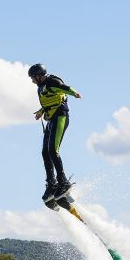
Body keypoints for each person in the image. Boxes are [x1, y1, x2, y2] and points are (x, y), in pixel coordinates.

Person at [29, 63, 81, 204]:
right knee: (45, 152)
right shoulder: (42, 87)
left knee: (53, 150)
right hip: (51, 120)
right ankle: (52, 184)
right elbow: (49, 102)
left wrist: (75, 93)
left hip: (60, 117)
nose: (32, 81)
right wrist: (41, 111)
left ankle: (63, 182)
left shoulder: (52, 81)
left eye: (33, 78)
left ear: (39, 76)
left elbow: (65, 89)